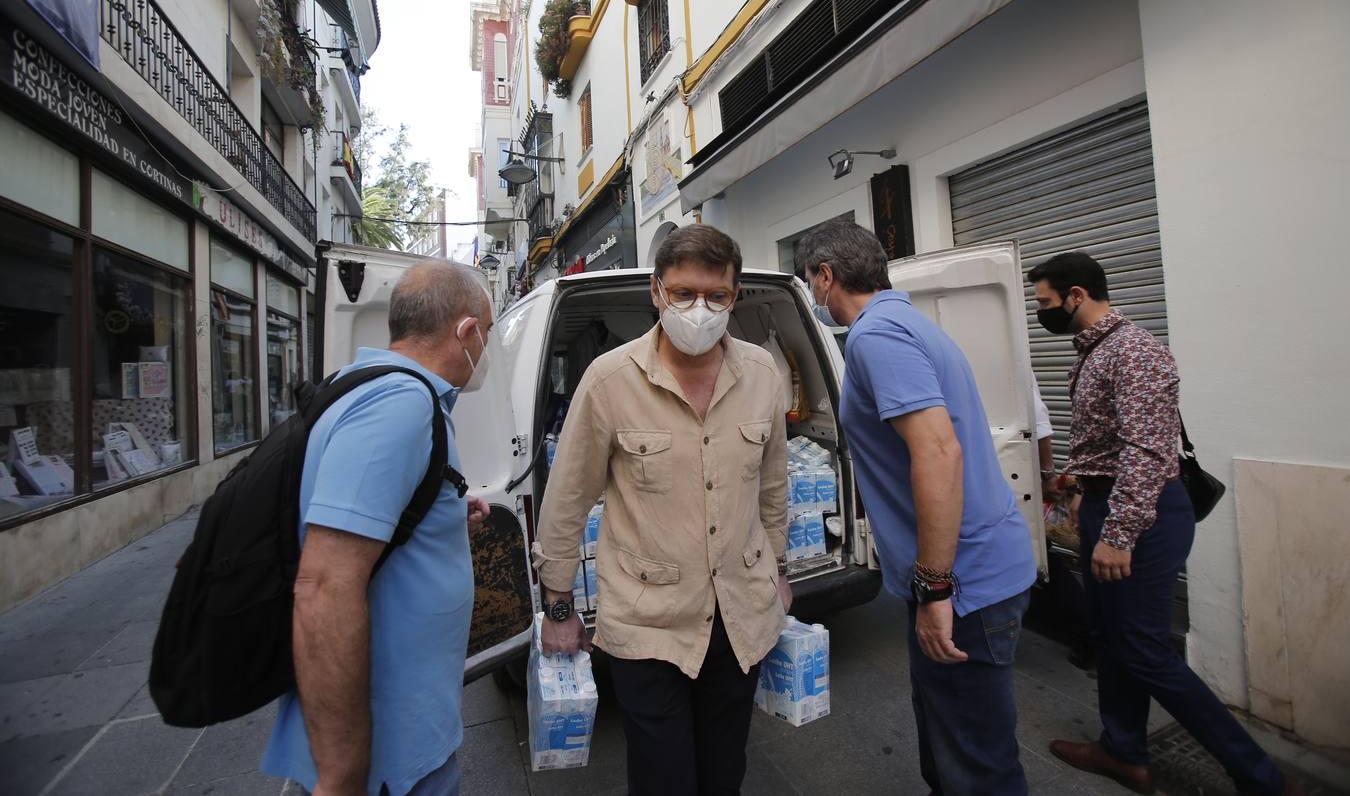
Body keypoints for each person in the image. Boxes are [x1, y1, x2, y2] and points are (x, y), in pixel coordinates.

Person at [533, 224, 792, 796]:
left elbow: (772, 486)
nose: (699, 309)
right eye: (682, 294)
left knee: (725, 773)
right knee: (663, 780)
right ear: (656, 292)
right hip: (648, 623)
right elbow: (567, 500)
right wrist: (557, 610)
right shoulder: (609, 381)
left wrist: (778, 570)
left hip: (739, 614)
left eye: (716, 296)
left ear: (735, 295)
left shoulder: (761, 375)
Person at [1031, 251, 1301, 796]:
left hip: (1145, 514)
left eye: (1045, 303)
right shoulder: (1094, 351)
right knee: (1109, 637)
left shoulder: (1132, 352)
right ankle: (1124, 752)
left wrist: (1119, 533)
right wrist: (1081, 488)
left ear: (1076, 295)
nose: (1042, 313)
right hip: (1110, 504)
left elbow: (1148, 452)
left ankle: (1262, 778)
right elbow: (1111, 444)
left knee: (1145, 649)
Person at [797, 220, 1037, 796]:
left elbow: (937, 452)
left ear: (827, 276)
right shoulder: (906, 321)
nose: (812, 295)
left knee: (977, 764)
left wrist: (934, 588)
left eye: (810, 282)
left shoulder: (876, 337)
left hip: (965, 583)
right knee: (951, 739)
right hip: (973, 572)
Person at [261, 260, 491, 796]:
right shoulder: (401, 404)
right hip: (386, 756)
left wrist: (443, 515)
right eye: (488, 332)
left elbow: (369, 520)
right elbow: (324, 586)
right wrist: (343, 772)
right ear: (466, 331)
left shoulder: (358, 382)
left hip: (401, 742)